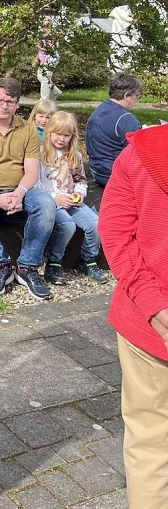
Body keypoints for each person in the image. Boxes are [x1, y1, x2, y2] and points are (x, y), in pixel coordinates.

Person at [99, 123, 168, 509]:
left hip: (148, 322)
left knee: (150, 442)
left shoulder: (140, 154)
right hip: (148, 322)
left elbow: (115, 234)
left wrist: (153, 305)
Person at [0, 77, 57, 301]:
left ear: (17, 104)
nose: (5, 106)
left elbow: (32, 170)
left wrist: (20, 193)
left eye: (11, 101)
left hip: (19, 189)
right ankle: (0, 264)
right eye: (0, 100)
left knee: (45, 204)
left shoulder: (27, 129)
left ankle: (28, 267)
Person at [39, 111, 104, 285]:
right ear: (49, 132)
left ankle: (88, 259)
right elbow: (36, 184)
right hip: (50, 200)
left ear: (72, 136)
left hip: (70, 200)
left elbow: (81, 181)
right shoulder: (41, 154)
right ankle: (53, 262)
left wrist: (79, 193)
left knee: (96, 224)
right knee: (66, 225)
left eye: (66, 135)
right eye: (58, 134)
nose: (61, 139)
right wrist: (55, 198)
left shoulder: (74, 156)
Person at [85, 73, 143, 186]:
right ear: (127, 95)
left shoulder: (100, 109)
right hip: (114, 176)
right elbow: (139, 151)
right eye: (137, 96)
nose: (138, 100)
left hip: (96, 170)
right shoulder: (125, 118)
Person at [35, 22, 61, 100]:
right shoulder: (43, 36)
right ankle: (56, 92)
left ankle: (44, 100)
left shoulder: (52, 36)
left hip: (50, 60)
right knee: (40, 76)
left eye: (46, 27)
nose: (44, 29)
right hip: (44, 59)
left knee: (44, 79)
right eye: (44, 27)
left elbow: (51, 48)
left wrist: (41, 47)